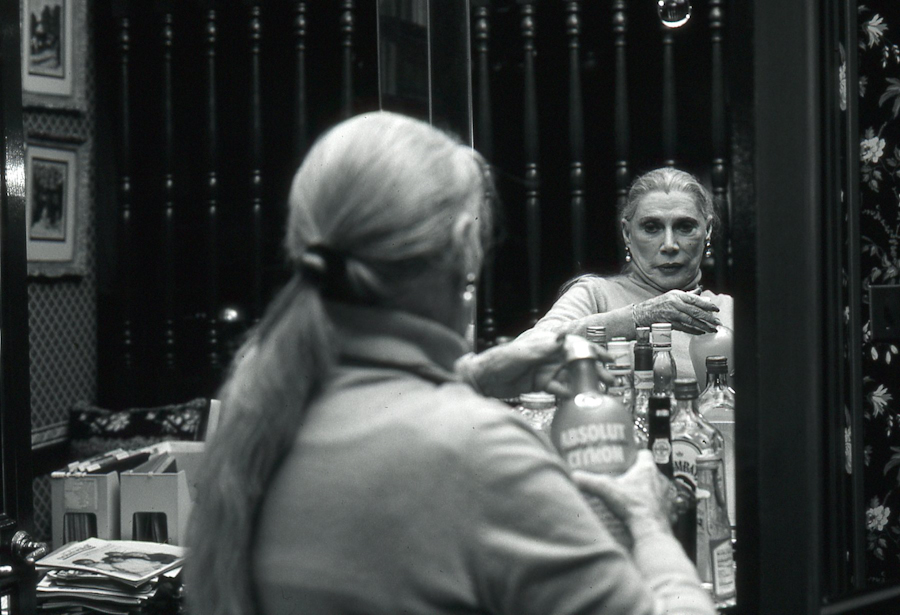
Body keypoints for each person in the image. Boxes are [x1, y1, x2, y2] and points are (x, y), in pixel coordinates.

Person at [185, 112, 715, 615]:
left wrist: (475, 376)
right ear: (465, 244)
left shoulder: (271, 410)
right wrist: (648, 522)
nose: (669, 244)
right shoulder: (481, 452)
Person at [518, 167, 733, 379]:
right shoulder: (596, 295)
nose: (669, 245)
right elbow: (521, 354)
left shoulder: (728, 310)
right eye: (651, 227)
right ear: (627, 233)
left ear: (707, 230)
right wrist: (639, 317)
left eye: (685, 227)